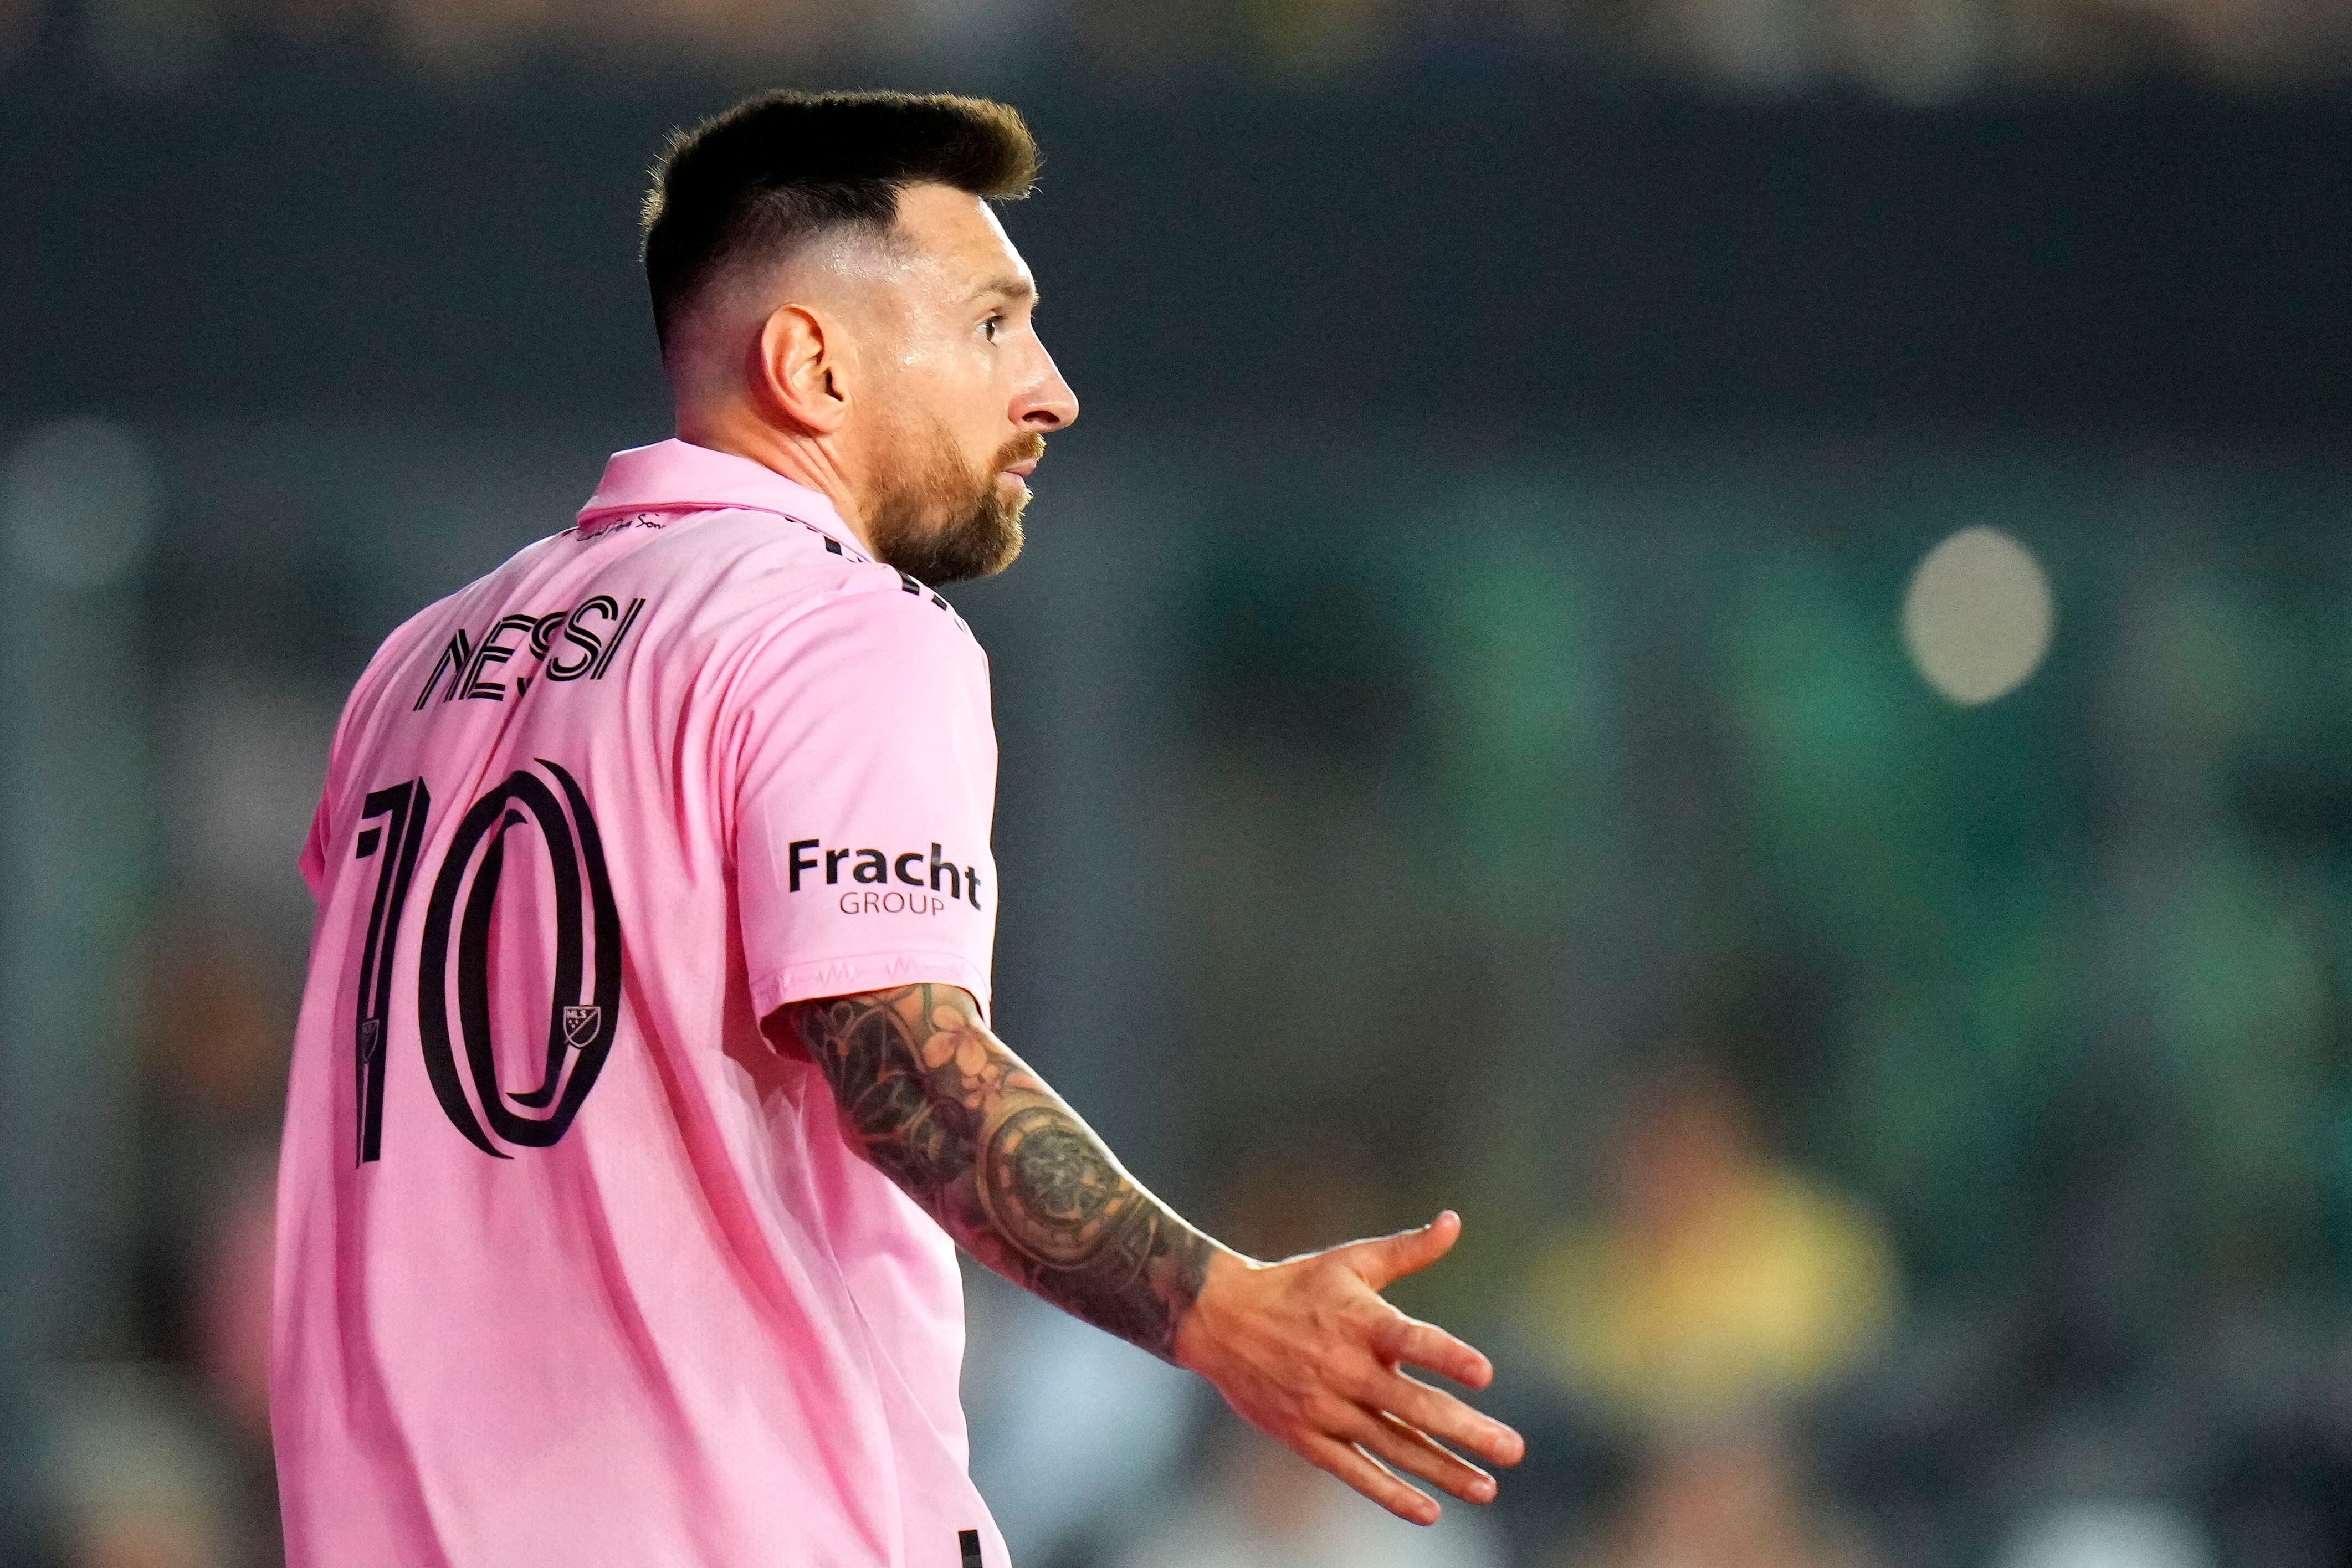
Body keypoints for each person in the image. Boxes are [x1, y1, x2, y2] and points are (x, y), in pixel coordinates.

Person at [271, 89, 1521, 1566]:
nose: (1050, 388)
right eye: (995, 322)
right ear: (809, 361)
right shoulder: (838, 624)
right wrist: (1221, 1310)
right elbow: (906, 1074)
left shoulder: (414, 670)